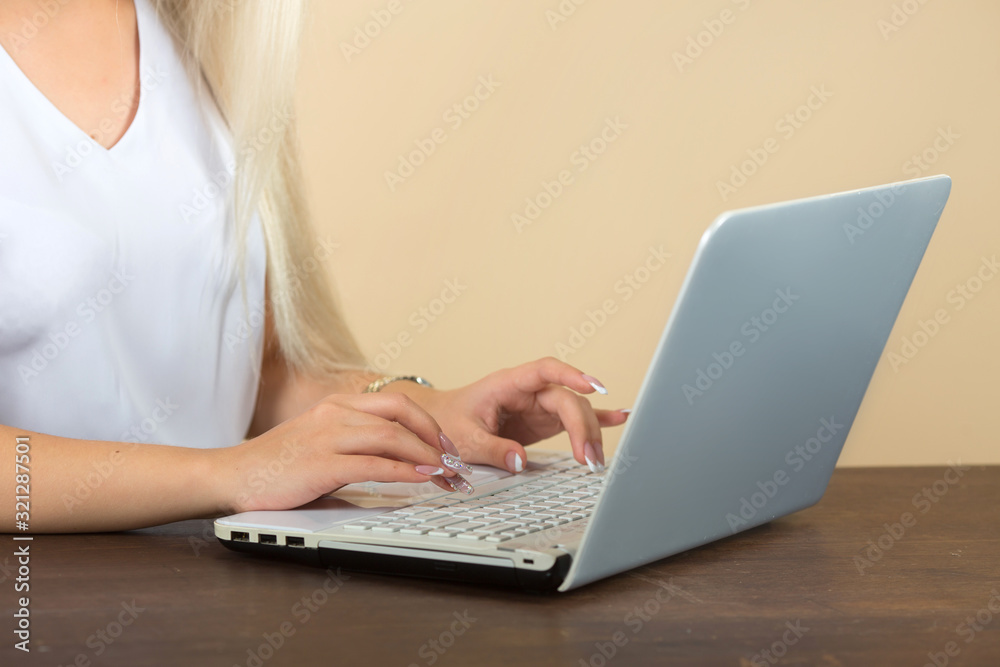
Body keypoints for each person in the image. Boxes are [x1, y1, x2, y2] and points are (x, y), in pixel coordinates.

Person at [0, 0, 628, 533]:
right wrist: (230, 474)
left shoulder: (203, 36)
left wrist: (433, 416)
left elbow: (261, 377)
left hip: (215, 592)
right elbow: (249, 461)